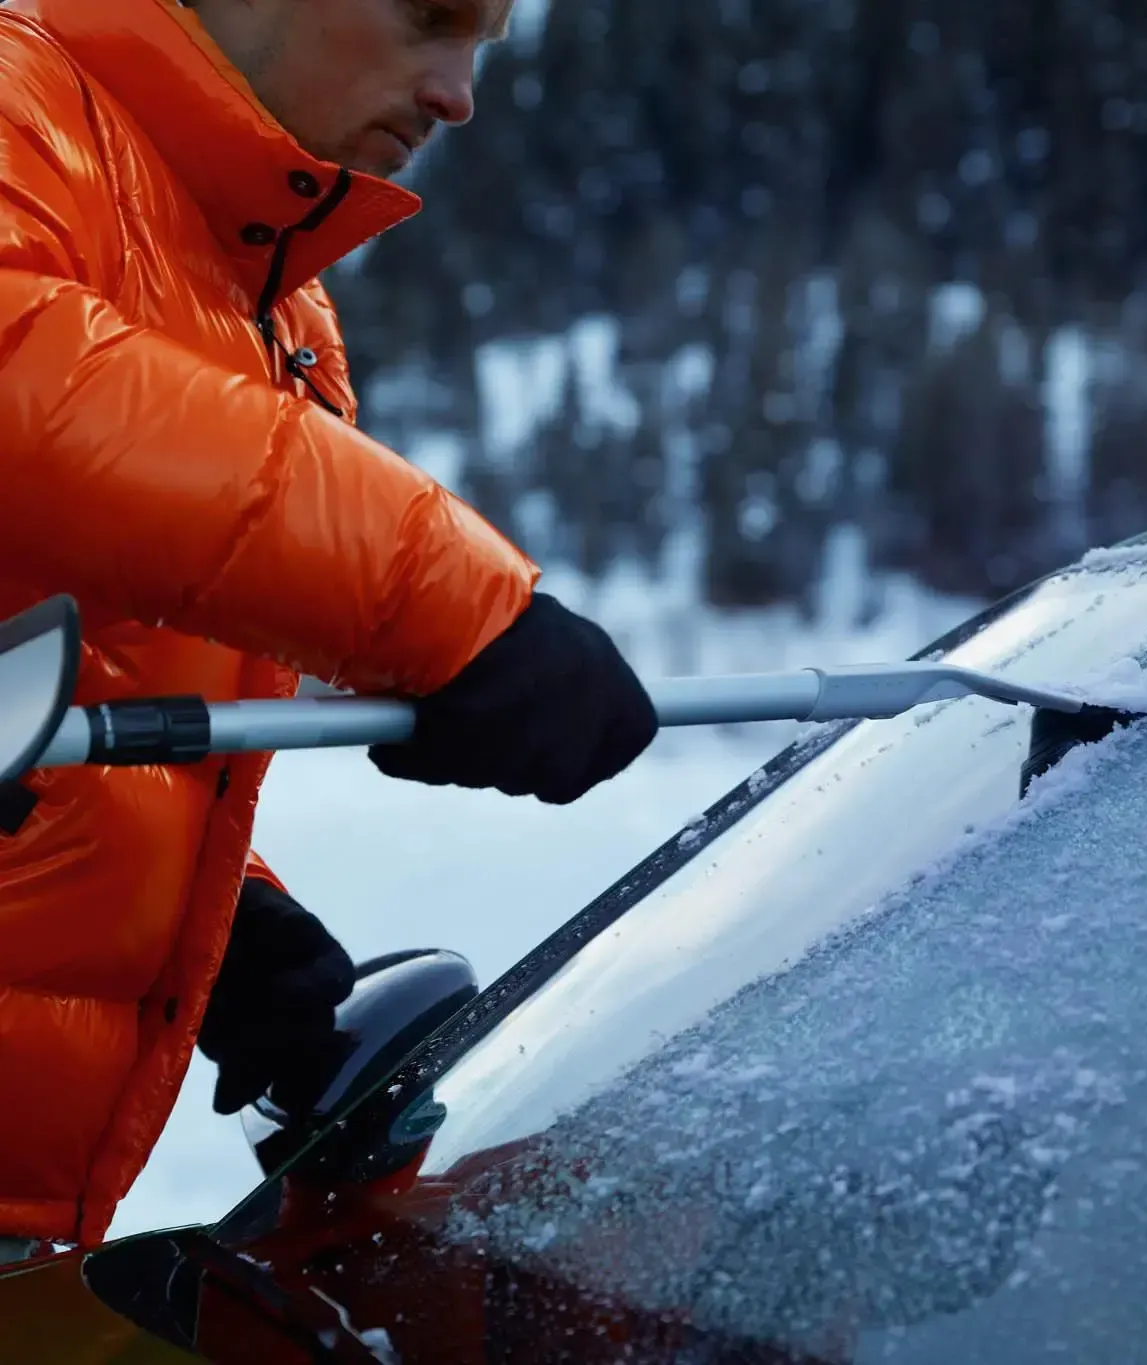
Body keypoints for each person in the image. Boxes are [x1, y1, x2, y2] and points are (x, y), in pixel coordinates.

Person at [0, 0, 658, 1254]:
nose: (457, 92)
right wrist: (445, 605)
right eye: (430, 20)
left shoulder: (276, 312)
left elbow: (53, 676)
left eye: (482, 47)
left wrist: (206, 913)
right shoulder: (15, 91)